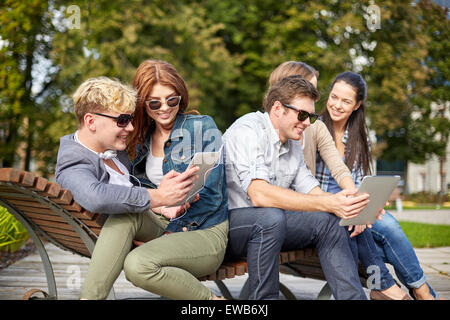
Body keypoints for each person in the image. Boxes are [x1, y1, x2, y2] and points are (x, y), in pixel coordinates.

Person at [269, 61, 413, 300]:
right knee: (354, 223)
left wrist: (355, 202)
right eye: (308, 92)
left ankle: (406, 288)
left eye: (314, 94)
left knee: (378, 225)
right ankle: (386, 287)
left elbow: (338, 169)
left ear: (357, 106)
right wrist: (345, 205)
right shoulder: (274, 130)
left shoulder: (314, 127)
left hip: (315, 208)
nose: (314, 101)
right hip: (290, 215)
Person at [223, 75, 371, 300]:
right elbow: (259, 194)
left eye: (311, 117)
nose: (307, 123)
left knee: (329, 222)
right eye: (302, 115)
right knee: (270, 217)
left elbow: (310, 188)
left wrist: (346, 205)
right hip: (229, 229)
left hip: (272, 226)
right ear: (277, 108)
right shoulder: (248, 130)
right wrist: (328, 202)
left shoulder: (292, 141)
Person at [55, 76, 200, 299]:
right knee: (126, 217)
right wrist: (158, 196)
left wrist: (163, 207)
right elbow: (97, 197)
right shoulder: (73, 161)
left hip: (157, 224)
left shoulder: (115, 152)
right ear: (91, 121)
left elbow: (129, 191)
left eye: (130, 120)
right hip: (133, 228)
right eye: (122, 120)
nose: (130, 127)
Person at [316, 70, 440, 300]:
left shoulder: (359, 137)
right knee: (377, 237)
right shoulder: (314, 128)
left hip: (355, 204)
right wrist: (357, 208)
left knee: (388, 225)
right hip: (327, 208)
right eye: (334, 97)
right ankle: (417, 292)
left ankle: (412, 291)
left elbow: (363, 181)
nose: (337, 105)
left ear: (357, 105)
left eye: (346, 101)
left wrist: (367, 205)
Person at [123, 59, 229, 300]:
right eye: (154, 103)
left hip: (204, 231)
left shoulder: (202, 127)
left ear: (180, 96)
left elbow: (212, 194)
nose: (164, 108)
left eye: (172, 99)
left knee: (137, 265)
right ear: (142, 104)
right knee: (136, 256)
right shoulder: (139, 141)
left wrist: (170, 234)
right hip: (159, 226)